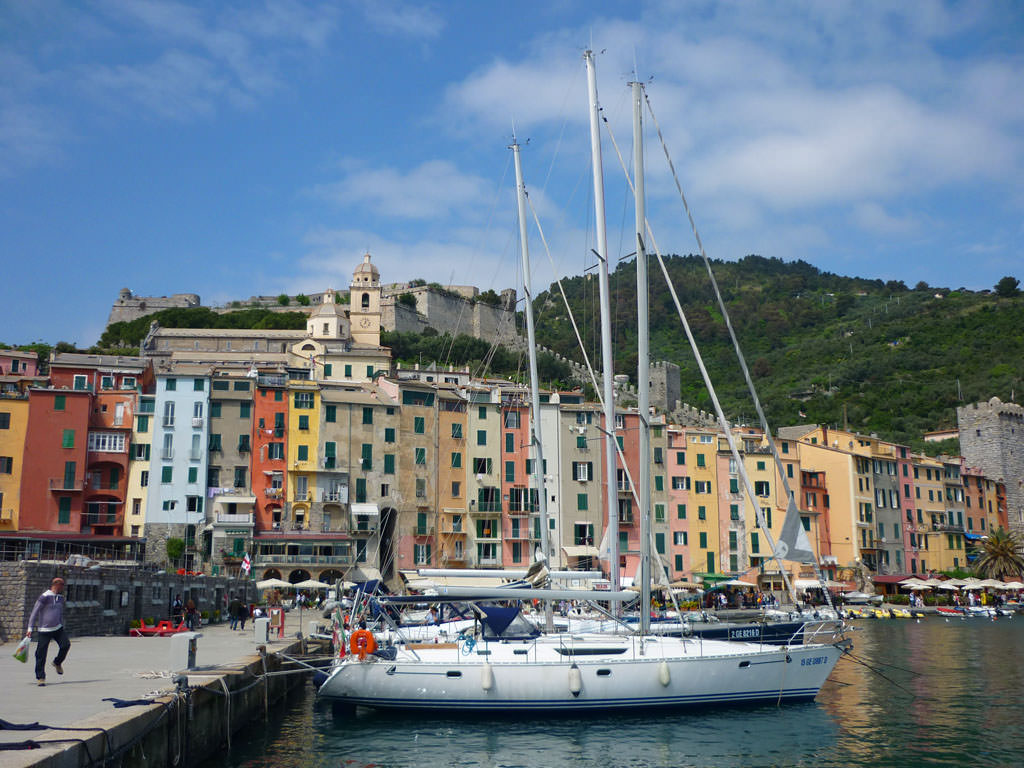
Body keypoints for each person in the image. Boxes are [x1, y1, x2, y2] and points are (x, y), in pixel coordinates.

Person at [26, 577, 71, 686]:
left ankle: (57, 662)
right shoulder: (44, 597)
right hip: (44, 629)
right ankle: (40, 677)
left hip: (58, 628)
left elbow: (60, 613)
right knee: (41, 654)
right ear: (57, 585)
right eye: (63, 585)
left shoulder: (60, 598)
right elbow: (34, 612)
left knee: (66, 645)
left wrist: (61, 624)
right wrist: (30, 628)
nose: (63, 587)